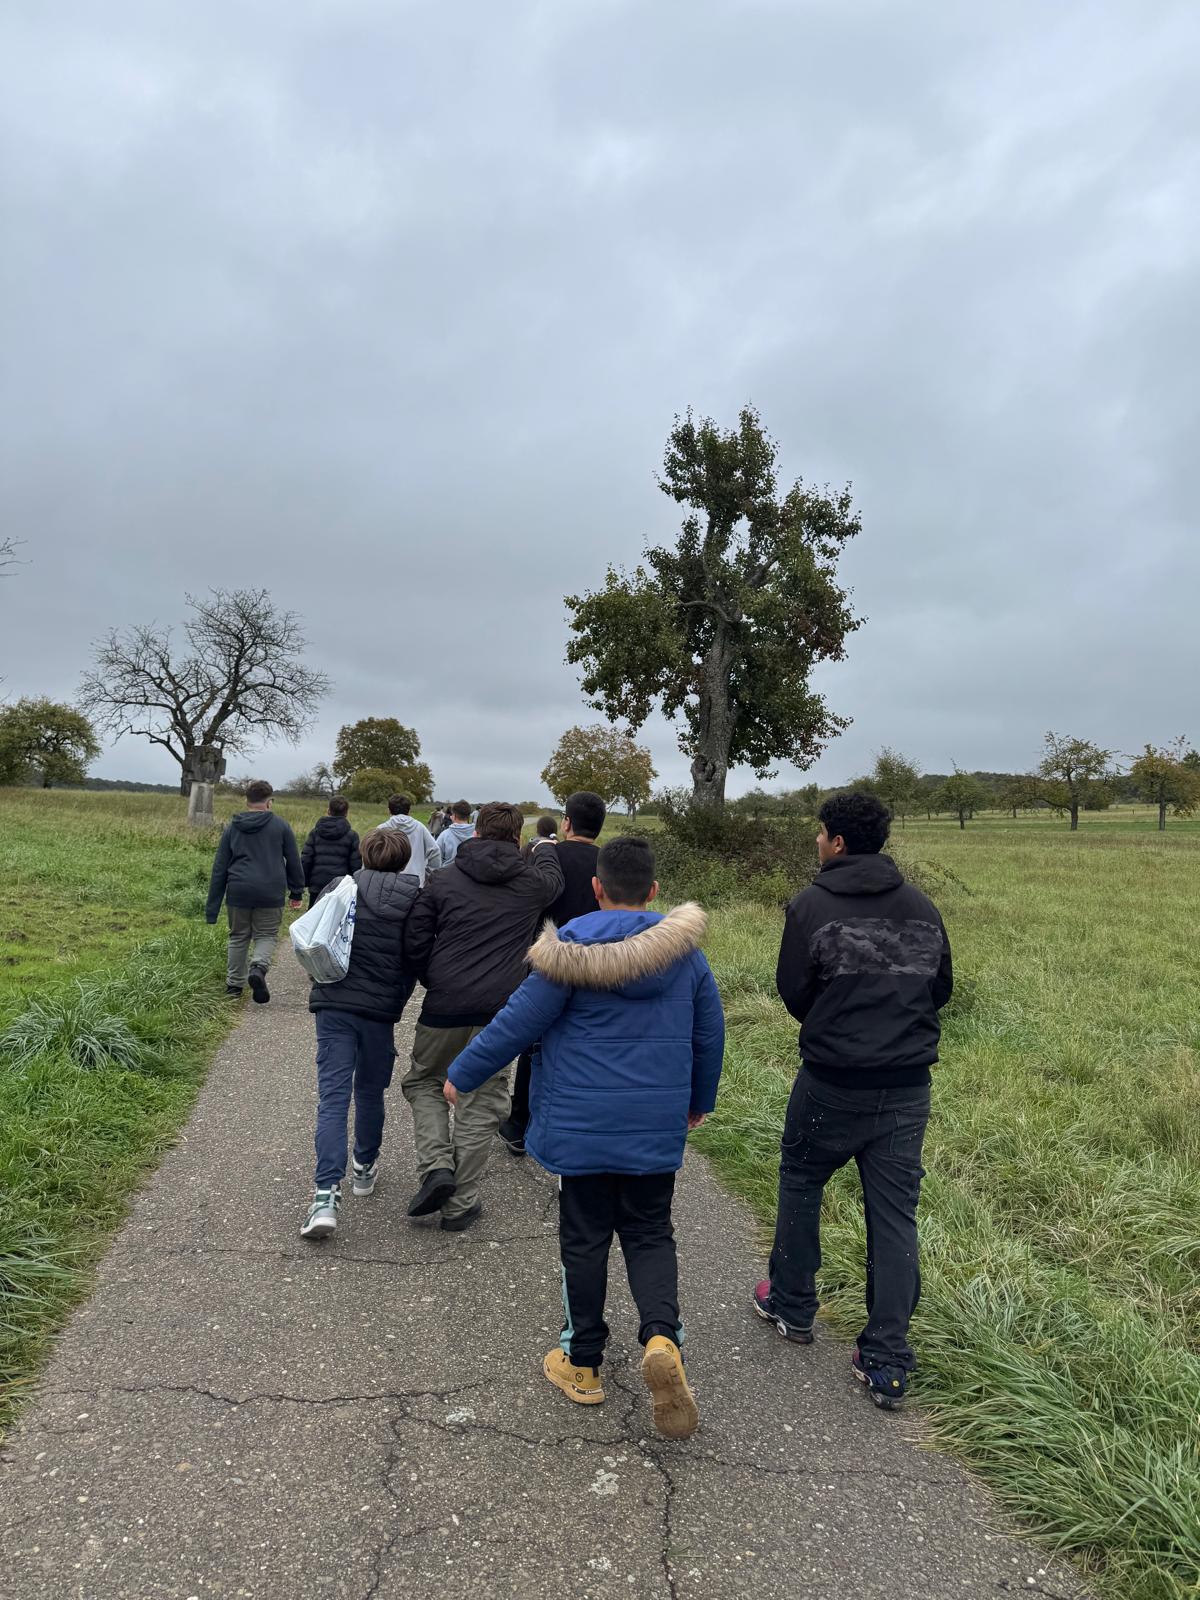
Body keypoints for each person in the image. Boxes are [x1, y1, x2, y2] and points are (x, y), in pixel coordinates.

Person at [445, 836, 725, 1440]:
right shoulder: (687, 958)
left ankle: (582, 1364)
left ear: (596, 889)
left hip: (580, 1127)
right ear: (653, 892)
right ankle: (662, 1339)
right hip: (652, 1123)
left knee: (584, 1238)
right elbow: (709, 1033)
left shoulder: (567, 952)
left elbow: (516, 1022)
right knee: (650, 1231)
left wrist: (461, 1074)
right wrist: (699, 1101)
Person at [753, 790, 953, 1411]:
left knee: (802, 1177)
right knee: (894, 1214)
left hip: (832, 1079)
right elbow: (940, 988)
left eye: (820, 833)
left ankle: (792, 1304)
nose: (817, 841)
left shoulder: (811, 905)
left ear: (837, 842)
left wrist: (837, 1021)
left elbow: (794, 991)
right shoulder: (922, 906)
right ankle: (887, 1358)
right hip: (907, 1085)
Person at [401, 802, 563, 1231]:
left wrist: (433, 977)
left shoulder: (443, 879)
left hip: (445, 1004)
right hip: (501, 1012)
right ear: (516, 838)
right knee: (482, 1095)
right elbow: (555, 880)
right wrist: (545, 846)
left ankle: (437, 1166)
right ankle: (460, 1204)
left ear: (475, 833)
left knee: (424, 1082)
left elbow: (415, 937)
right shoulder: (532, 884)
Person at [301, 827, 422, 1239]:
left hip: (334, 1003)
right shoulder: (414, 898)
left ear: (364, 854)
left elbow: (317, 934)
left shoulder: (341, 887)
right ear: (404, 861)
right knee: (370, 1091)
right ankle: (364, 1165)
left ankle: (324, 1197)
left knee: (333, 1097)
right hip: (380, 1011)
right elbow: (416, 957)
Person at [499, 791, 606, 1156]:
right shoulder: (608, 862)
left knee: (533, 1044)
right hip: (596, 964)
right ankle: (574, 1125)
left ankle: (519, 1124)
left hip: (545, 960)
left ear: (567, 822)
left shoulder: (547, 856)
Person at [205, 778, 303, 1003]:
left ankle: (234, 986)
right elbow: (293, 860)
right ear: (270, 802)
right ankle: (258, 967)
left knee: (238, 936)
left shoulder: (232, 827)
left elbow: (220, 867)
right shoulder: (281, 826)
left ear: (246, 800)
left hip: (238, 889)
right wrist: (296, 892)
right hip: (270, 891)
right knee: (266, 934)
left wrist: (212, 908)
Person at [300, 795, 361, 904]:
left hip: (317, 884)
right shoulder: (352, 836)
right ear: (346, 813)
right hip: (341, 886)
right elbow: (355, 864)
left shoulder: (315, 833)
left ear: (328, 811)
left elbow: (306, 859)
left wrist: (303, 883)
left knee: (315, 913)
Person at [377, 794, 441, 884]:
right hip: (416, 883)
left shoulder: (381, 829)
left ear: (389, 810)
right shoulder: (420, 827)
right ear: (409, 811)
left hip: (387, 882)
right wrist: (427, 875)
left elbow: (372, 856)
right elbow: (435, 851)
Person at [436, 800, 475, 865]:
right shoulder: (477, 834)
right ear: (468, 816)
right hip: (471, 870)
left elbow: (436, 857)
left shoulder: (445, 835)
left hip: (448, 870)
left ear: (454, 816)